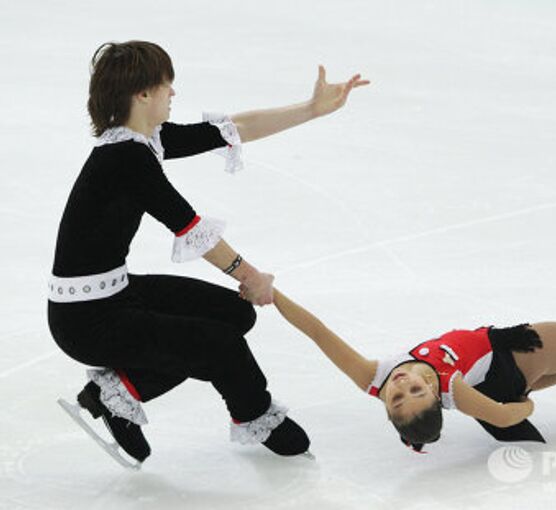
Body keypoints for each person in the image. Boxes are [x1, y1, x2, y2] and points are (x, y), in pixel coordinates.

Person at [47, 40, 369, 465]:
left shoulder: (138, 143)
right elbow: (189, 226)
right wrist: (249, 275)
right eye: (166, 86)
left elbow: (231, 128)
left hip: (113, 295)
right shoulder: (125, 158)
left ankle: (120, 392)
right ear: (142, 94)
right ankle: (255, 413)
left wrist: (309, 109)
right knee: (218, 344)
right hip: (87, 320)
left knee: (234, 314)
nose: (173, 94)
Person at [259, 288, 556, 452]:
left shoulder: (369, 374)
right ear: (434, 393)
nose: (403, 385)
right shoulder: (454, 387)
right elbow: (505, 417)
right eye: (415, 394)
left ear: (381, 401)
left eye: (397, 397)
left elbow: (317, 332)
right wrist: (526, 401)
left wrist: (270, 295)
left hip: (512, 372)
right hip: (525, 349)